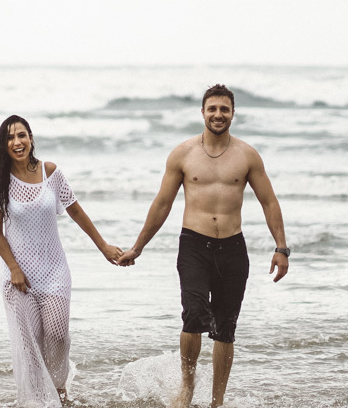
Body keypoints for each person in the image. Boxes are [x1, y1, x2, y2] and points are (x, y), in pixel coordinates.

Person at [117, 84, 289, 408]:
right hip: (194, 245)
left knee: (226, 327)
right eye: (212, 109)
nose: (218, 115)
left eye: (224, 109)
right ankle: (187, 387)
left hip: (233, 248)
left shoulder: (247, 155)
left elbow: (269, 201)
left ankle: (217, 401)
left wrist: (281, 248)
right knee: (193, 315)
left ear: (233, 113)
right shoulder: (183, 154)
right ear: (202, 112)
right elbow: (162, 203)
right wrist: (137, 248)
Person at [0, 114, 123, 407]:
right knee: (31, 346)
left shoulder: (50, 172)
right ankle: (38, 400)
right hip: (18, 277)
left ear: (31, 138)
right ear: (3, 144)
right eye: (9, 138)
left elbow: (75, 211)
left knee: (58, 336)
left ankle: (58, 392)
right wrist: (14, 269)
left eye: (21, 135)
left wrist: (103, 246)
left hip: (54, 272)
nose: (17, 142)